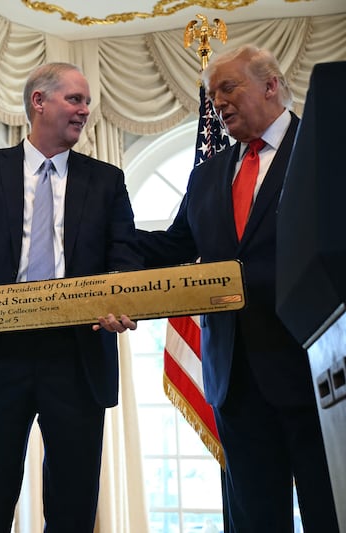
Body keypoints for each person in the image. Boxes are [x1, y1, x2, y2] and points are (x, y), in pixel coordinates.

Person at [0, 62, 141, 532]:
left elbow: (124, 258)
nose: (85, 111)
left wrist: (124, 300)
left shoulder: (107, 181)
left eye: (87, 102)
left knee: (74, 509)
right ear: (39, 101)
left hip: (77, 355)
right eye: (75, 100)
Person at [136, 45, 338, 532]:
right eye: (212, 94)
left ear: (270, 86)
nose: (218, 102)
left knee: (330, 513)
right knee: (254, 520)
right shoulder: (207, 175)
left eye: (229, 87)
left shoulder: (325, 148)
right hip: (235, 379)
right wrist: (100, 235)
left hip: (314, 370)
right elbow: (173, 247)